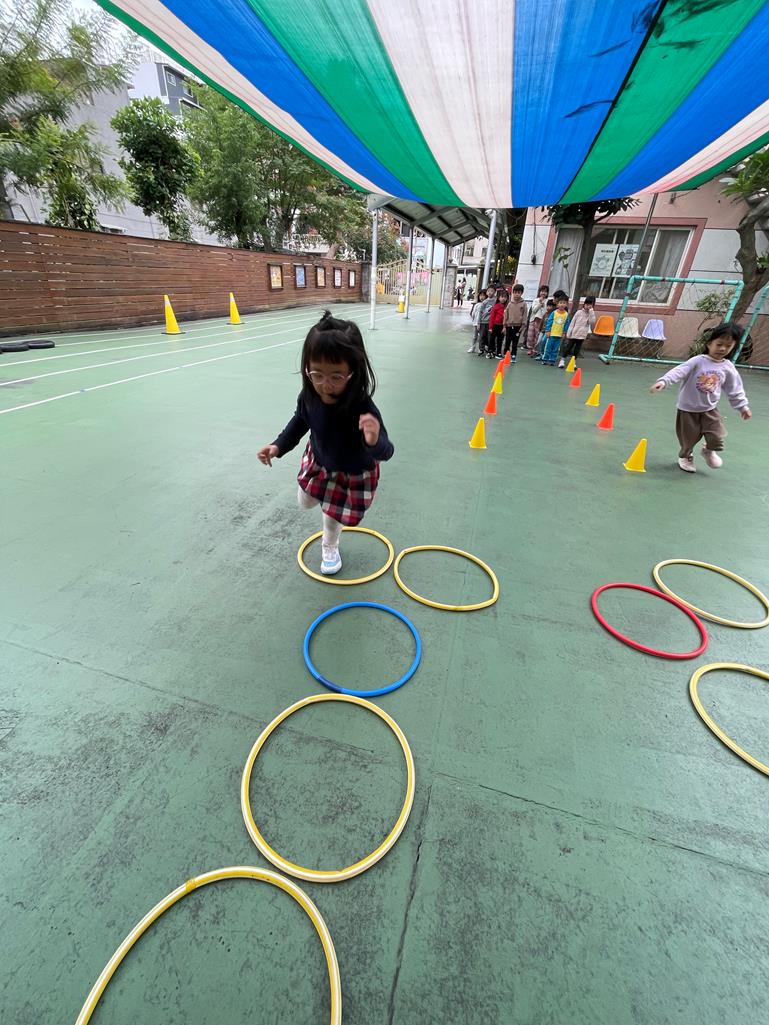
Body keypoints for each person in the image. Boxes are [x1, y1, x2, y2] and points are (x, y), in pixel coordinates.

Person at [257, 310, 394, 574]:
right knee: (306, 502)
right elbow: (299, 422)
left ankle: (330, 546)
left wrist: (374, 439)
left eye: (336, 376)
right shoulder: (308, 395)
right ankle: (324, 499)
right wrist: (277, 446)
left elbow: (387, 451)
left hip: (351, 472)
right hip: (320, 460)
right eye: (317, 374)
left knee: (332, 515)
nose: (325, 385)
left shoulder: (362, 407)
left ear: (352, 372)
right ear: (307, 369)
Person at [650, 322, 751, 473]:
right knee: (688, 439)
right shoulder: (698, 361)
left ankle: (708, 451)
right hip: (687, 410)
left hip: (710, 409)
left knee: (717, 436)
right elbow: (679, 371)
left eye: (728, 346)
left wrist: (742, 406)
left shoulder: (728, 367)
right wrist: (664, 381)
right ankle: (685, 457)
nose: (723, 349)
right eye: (719, 344)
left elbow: (734, 388)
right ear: (709, 344)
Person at [558, 295, 596, 368]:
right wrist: (569, 333)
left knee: (577, 350)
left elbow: (592, 322)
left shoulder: (590, 314)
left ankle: (573, 362)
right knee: (568, 347)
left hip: (582, 336)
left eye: (590, 305)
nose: (588, 306)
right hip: (574, 334)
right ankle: (562, 360)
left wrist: (591, 311)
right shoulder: (579, 312)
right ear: (584, 304)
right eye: (586, 304)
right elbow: (572, 323)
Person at [541, 297, 570, 365]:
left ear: (566, 304)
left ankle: (552, 360)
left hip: (559, 335)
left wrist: (564, 332)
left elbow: (566, 324)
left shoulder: (566, 314)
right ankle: (545, 359)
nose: (562, 304)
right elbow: (549, 322)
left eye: (564, 303)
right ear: (557, 304)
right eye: (560, 303)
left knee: (556, 349)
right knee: (548, 347)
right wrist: (548, 331)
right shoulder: (554, 313)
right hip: (551, 334)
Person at [503, 284, 527, 362]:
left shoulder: (523, 304)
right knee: (507, 341)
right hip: (509, 325)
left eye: (518, 293)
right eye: (515, 292)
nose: (517, 294)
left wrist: (523, 325)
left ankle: (513, 355)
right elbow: (506, 314)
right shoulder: (510, 303)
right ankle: (505, 354)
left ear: (521, 293)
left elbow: (525, 315)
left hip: (518, 326)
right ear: (513, 293)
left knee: (515, 342)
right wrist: (504, 324)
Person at [526, 285, 549, 356]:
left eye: (545, 291)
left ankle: (535, 349)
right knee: (530, 335)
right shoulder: (536, 300)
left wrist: (543, 305)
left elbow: (546, 311)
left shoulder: (547, 301)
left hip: (541, 321)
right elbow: (534, 310)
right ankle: (530, 348)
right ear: (539, 292)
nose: (543, 293)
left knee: (537, 336)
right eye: (542, 291)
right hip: (533, 319)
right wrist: (540, 303)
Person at [476, 286, 497, 357]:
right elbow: (480, 312)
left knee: (490, 337)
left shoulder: (496, 301)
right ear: (487, 292)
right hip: (483, 322)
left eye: (492, 291)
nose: (490, 292)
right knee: (482, 336)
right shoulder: (484, 302)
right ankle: (481, 349)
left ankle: (490, 349)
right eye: (488, 291)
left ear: (495, 292)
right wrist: (478, 323)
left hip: (491, 323)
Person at [488, 290, 508, 359]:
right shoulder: (496, 306)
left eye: (505, 297)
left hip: (502, 326)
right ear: (499, 298)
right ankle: (490, 351)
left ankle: (498, 353)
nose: (503, 298)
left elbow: (507, 318)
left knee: (500, 340)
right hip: (495, 325)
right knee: (492, 339)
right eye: (502, 297)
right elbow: (492, 317)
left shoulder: (507, 307)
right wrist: (490, 327)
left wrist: (505, 327)